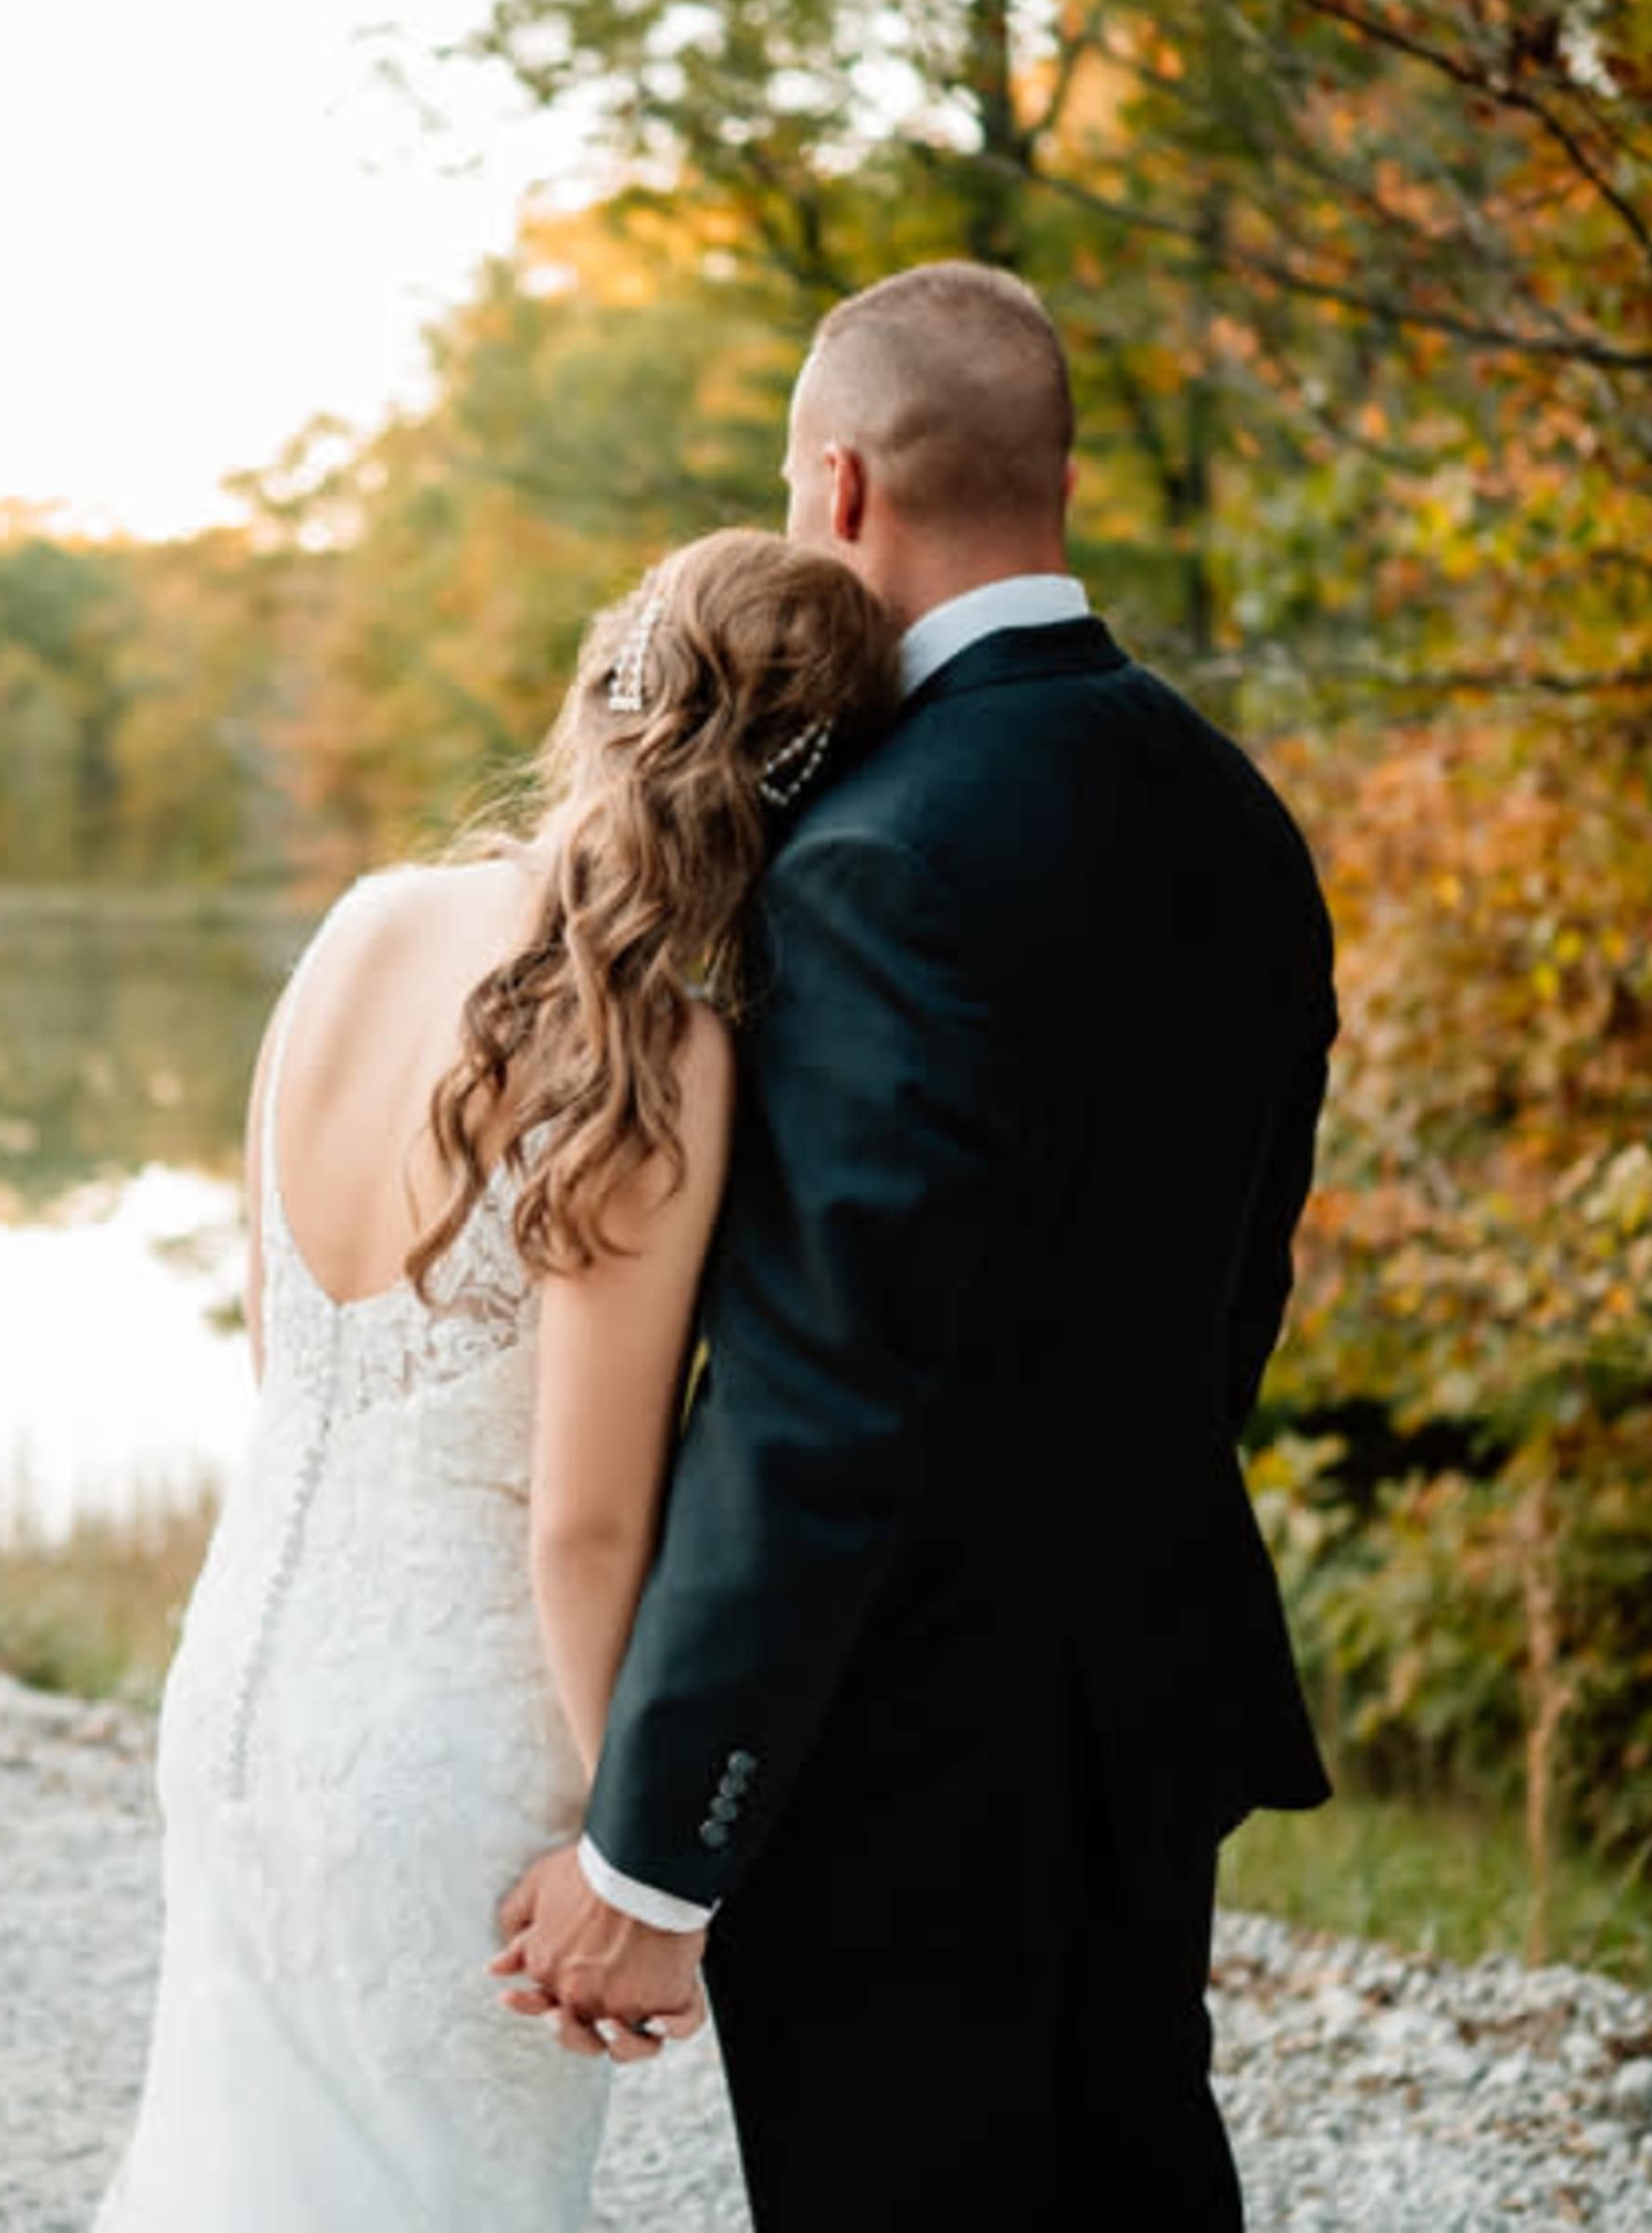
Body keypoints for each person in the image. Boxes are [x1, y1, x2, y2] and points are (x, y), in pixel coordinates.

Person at [488, 258, 1335, 2228]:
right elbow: (1236, 1297)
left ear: (842, 488)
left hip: (908, 1772)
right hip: (1146, 1691)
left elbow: (819, 1397)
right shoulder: (1234, 815)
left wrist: (653, 1860)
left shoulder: (875, 856)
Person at [91, 529, 900, 2231]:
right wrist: (654, 1870)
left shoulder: (365, 927)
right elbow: (583, 1527)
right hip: (445, 1771)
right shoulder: (651, 1045)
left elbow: (287, 1362)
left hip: (240, 1690)